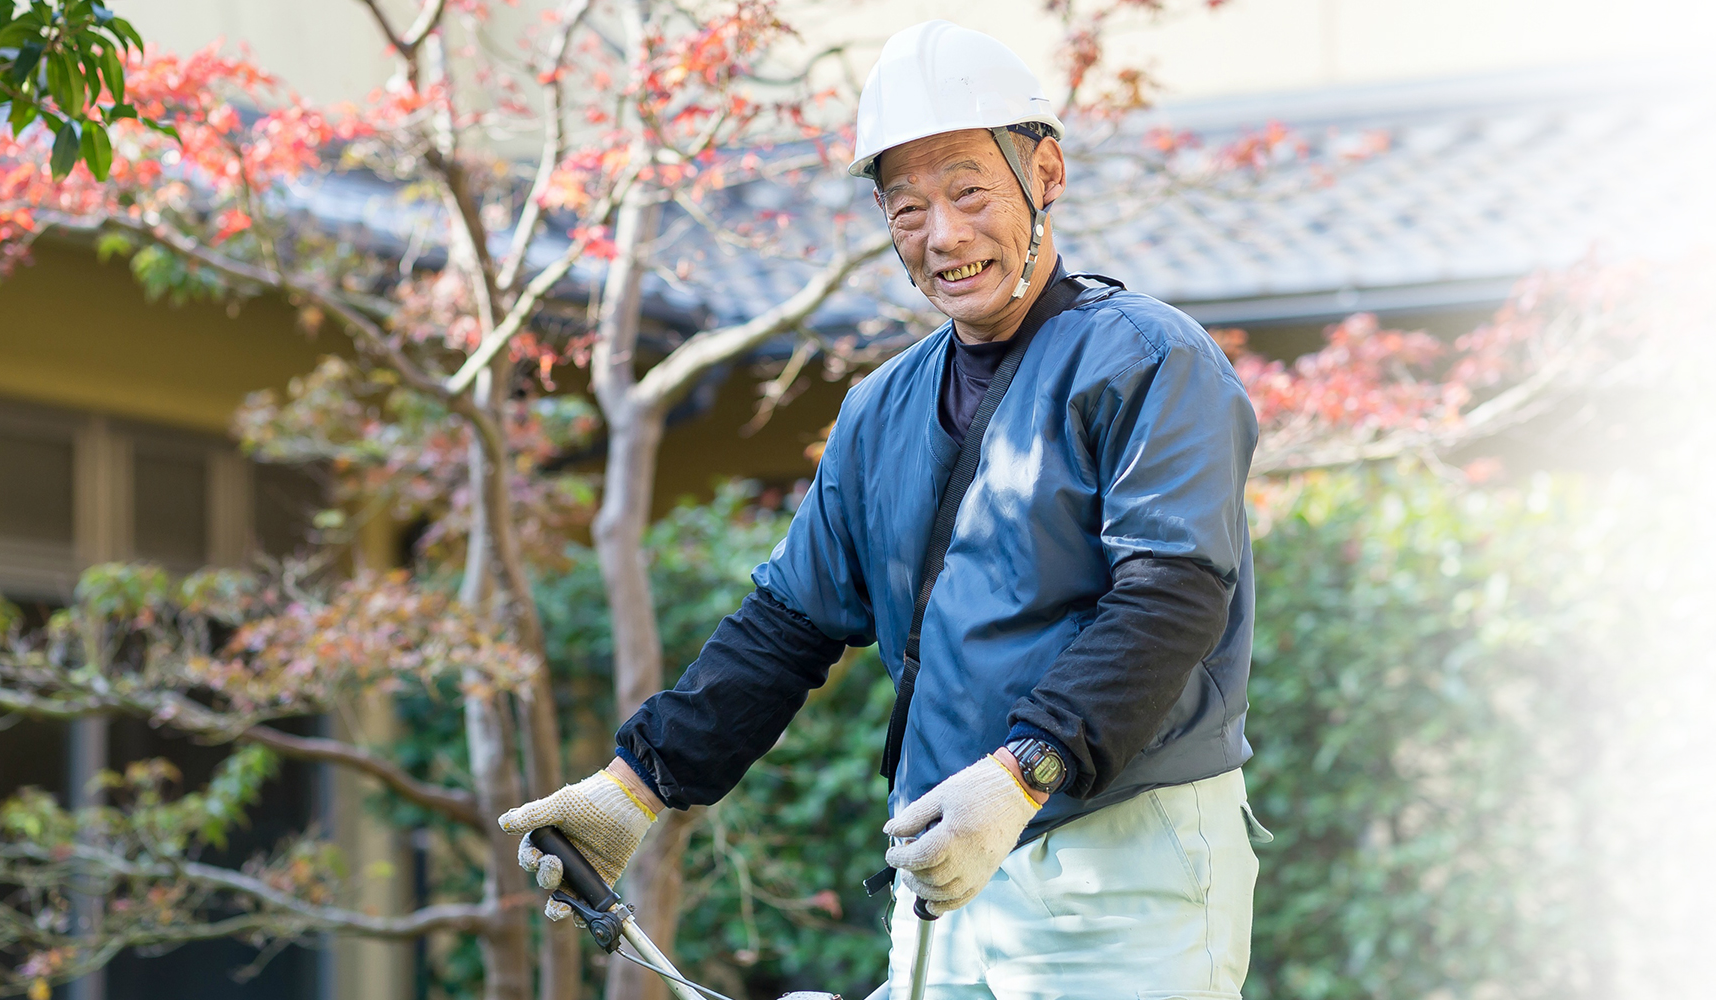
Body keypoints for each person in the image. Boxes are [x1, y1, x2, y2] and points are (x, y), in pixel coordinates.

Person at [498, 20, 1266, 998]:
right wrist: (632, 788)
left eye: (969, 192)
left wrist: (1023, 771)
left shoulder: (1151, 361)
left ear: (1048, 173)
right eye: (907, 208)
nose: (942, 235)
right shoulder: (882, 408)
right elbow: (786, 625)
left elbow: (1172, 598)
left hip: (1120, 872)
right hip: (945, 876)